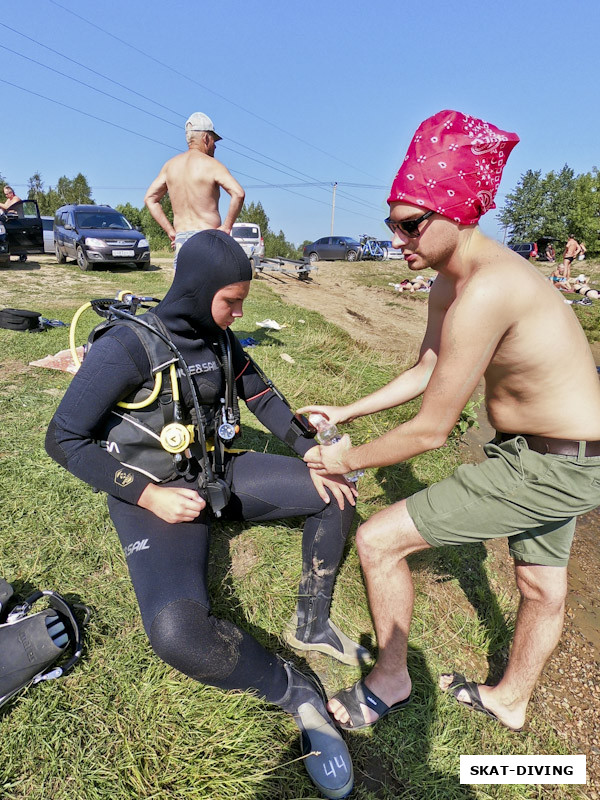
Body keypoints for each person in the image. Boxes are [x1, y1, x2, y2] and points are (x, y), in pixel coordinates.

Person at [300, 109, 600, 734]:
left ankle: (391, 679)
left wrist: (343, 460)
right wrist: (346, 412)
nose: (398, 240)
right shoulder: (450, 280)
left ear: (460, 214)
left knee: (378, 541)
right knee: (541, 587)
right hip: (549, 454)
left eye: (411, 226)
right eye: (392, 226)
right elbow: (427, 371)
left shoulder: (489, 289)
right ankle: (510, 700)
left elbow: (433, 430)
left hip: (557, 462)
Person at [46, 230, 365, 799]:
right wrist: (147, 495)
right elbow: (64, 439)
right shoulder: (126, 347)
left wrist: (307, 449)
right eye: (231, 300)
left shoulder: (220, 338)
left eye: (242, 301)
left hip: (217, 471)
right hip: (157, 494)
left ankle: (313, 622)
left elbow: (259, 393)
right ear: (196, 290)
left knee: (335, 489)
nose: (239, 312)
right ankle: (293, 690)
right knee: (177, 633)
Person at [144, 112, 245, 269]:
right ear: (205, 138)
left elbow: (150, 199)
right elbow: (238, 193)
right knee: (210, 292)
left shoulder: (170, 166)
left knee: (186, 293)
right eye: (213, 140)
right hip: (207, 239)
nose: (215, 145)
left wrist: (171, 231)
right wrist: (226, 227)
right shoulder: (212, 165)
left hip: (182, 241)